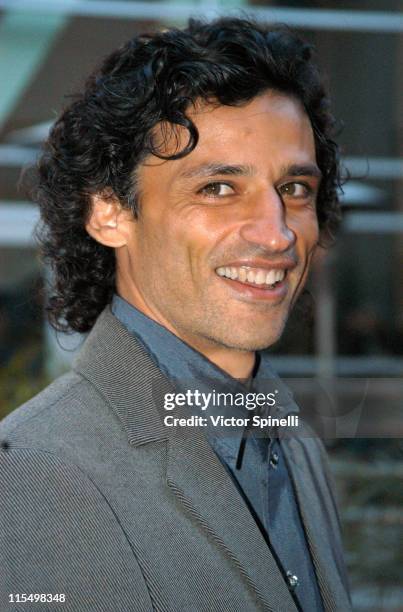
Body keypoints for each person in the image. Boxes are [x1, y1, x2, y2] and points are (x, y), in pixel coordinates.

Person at [0, 17, 351, 612]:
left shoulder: (295, 443)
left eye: (294, 188)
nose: (276, 234)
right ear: (109, 212)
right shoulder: (34, 478)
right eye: (217, 188)